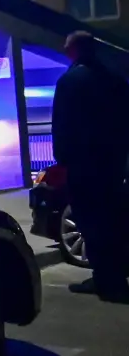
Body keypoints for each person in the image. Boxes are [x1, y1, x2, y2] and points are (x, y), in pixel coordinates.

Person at [52, 31, 129, 301]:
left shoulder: (70, 81)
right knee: (113, 221)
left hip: (83, 165)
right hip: (112, 165)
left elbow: (62, 125)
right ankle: (114, 277)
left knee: (90, 222)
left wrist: (62, 160)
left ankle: (106, 281)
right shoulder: (115, 81)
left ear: (73, 50)